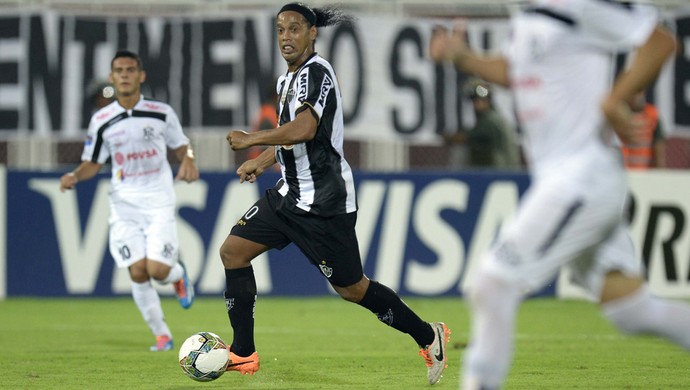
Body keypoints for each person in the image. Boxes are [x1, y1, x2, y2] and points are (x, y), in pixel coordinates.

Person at [428, 2, 690, 389]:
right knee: (632, 310)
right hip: (567, 177)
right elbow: (516, 73)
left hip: (581, 175)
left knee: (491, 284)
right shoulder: (529, 16)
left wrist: (615, 97)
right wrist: (462, 56)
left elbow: (660, 40)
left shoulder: (574, 4)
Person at [222, 2, 450, 385]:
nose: (286, 37)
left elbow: (306, 129)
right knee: (233, 251)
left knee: (352, 288)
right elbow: (291, 140)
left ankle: (429, 335)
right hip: (288, 196)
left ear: (313, 33)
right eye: (280, 30)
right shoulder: (286, 82)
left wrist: (252, 138)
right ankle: (243, 353)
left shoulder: (317, 72)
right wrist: (262, 160)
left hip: (324, 203)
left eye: (294, 29)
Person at [59, 50, 199, 352]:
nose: (124, 74)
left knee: (157, 270)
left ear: (141, 76)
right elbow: (93, 163)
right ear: (112, 77)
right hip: (123, 203)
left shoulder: (161, 112)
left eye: (130, 69)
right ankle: (162, 335)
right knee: (137, 270)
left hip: (158, 200)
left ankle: (177, 274)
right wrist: (74, 175)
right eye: (119, 70)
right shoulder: (102, 120)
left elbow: (182, 144)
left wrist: (188, 160)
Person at [621, 90, 666, 169]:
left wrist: (661, 175)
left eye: (639, 92)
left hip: (645, 174)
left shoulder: (652, 115)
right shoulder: (618, 114)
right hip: (623, 172)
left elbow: (660, 154)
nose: (636, 96)